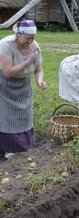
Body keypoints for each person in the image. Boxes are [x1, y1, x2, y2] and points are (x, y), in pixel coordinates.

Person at [0, 20, 47, 159]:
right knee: (6, 117)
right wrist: (28, 61)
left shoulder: (34, 46)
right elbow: (8, 72)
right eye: (28, 38)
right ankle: (7, 148)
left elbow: (39, 69)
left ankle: (22, 147)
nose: (31, 41)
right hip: (4, 85)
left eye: (33, 38)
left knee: (25, 116)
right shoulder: (5, 45)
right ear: (18, 35)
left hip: (24, 85)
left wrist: (39, 82)